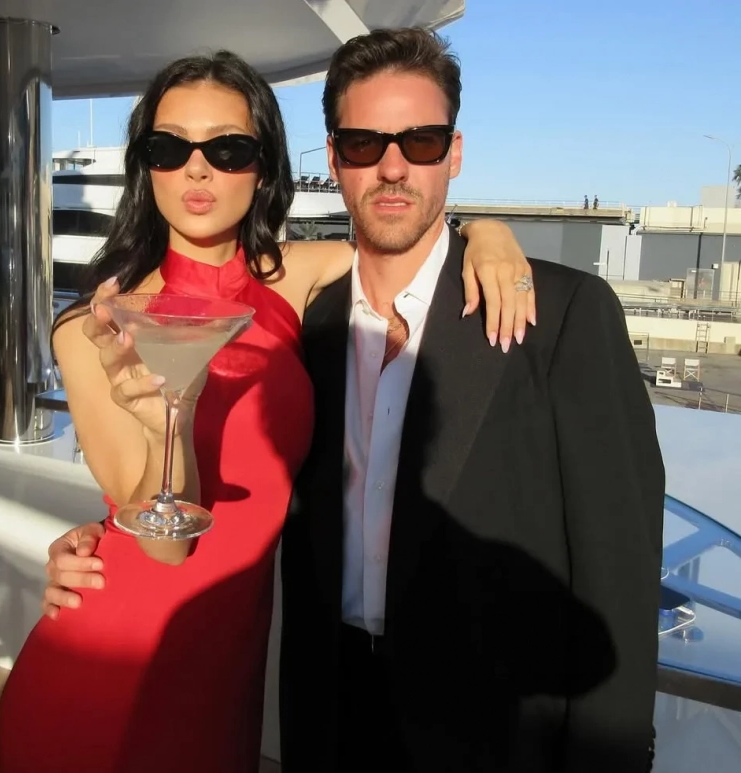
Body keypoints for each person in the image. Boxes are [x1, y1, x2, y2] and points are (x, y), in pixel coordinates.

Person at [0, 48, 532, 773]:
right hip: (111, 664)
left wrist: (488, 233)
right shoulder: (97, 328)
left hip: (226, 675)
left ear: (264, 166)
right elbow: (165, 546)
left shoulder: (292, 277)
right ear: (146, 167)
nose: (197, 170)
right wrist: (164, 424)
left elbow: (408, 241)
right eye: (169, 148)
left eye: (227, 149)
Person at [278, 28, 665, 772]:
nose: (393, 167)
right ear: (333, 159)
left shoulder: (564, 315)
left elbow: (618, 565)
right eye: (363, 144)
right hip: (332, 718)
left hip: (493, 737)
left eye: (420, 141)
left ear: (453, 154)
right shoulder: (309, 322)